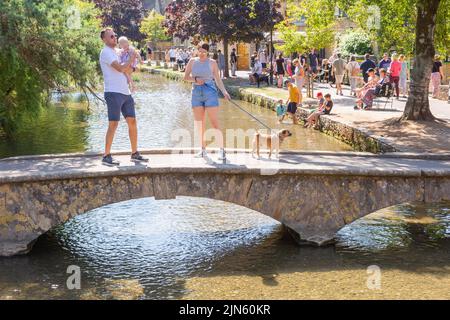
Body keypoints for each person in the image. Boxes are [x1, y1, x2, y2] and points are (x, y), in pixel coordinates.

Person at [99, 28, 148, 166]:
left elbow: (132, 69)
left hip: (125, 93)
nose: (114, 38)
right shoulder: (106, 52)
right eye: (111, 36)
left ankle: (134, 153)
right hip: (113, 92)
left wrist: (131, 63)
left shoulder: (117, 52)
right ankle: (106, 156)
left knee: (132, 121)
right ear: (104, 39)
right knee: (113, 123)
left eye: (114, 36)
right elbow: (120, 68)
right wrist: (131, 60)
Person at [184, 43, 231, 161]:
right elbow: (185, 77)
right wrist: (195, 79)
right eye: (199, 51)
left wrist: (224, 92)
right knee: (200, 124)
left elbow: (218, 80)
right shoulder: (192, 62)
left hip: (210, 92)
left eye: (203, 52)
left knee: (214, 122)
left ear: (208, 52)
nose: (201, 54)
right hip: (196, 93)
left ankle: (221, 150)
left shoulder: (212, 63)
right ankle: (203, 150)